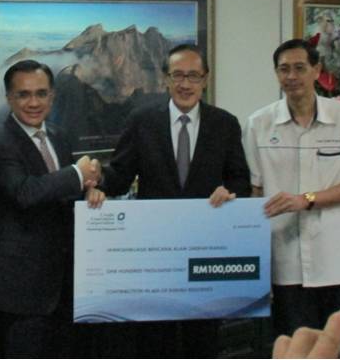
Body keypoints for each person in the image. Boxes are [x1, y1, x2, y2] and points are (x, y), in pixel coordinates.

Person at [100, 43, 251, 358]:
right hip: (156, 252)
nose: (185, 84)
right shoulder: (142, 120)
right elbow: (119, 176)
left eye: (193, 76)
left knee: (202, 340)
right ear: (165, 79)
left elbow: (240, 180)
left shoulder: (225, 124)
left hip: (205, 248)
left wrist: (230, 192)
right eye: (178, 75)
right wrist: (94, 183)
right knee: (156, 339)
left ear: (205, 80)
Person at [245, 38, 340, 338]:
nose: (291, 76)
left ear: (317, 71)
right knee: (295, 345)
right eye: (283, 69)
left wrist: (306, 199)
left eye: (299, 68)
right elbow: (254, 190)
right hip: (286, 261)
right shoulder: (258, 123)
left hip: (339, 259)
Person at [0, 59, 103, 358]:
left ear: (52, 96)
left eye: (41, 93)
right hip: (26, 291)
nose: (33, 103)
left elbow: (62, 194)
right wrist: (77, 174)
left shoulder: (59, 136)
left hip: (67, 285)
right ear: (9, 98)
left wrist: (90, 190)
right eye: (23, 94)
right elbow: (25, 193)